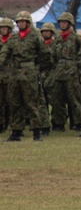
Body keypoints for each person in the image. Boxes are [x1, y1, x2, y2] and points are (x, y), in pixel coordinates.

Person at [0, 11, 49, 142]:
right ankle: (16, 131)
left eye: (23, 21)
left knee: (31, 102)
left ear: (28, 23)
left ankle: (36, 131)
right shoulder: (13, 39)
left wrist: (38, 67)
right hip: (15, 73)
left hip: (29, 73)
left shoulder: (35, 37)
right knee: (15, 103)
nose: (21, 23)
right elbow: (5, 52)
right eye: (19, 21)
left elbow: (45, 54)